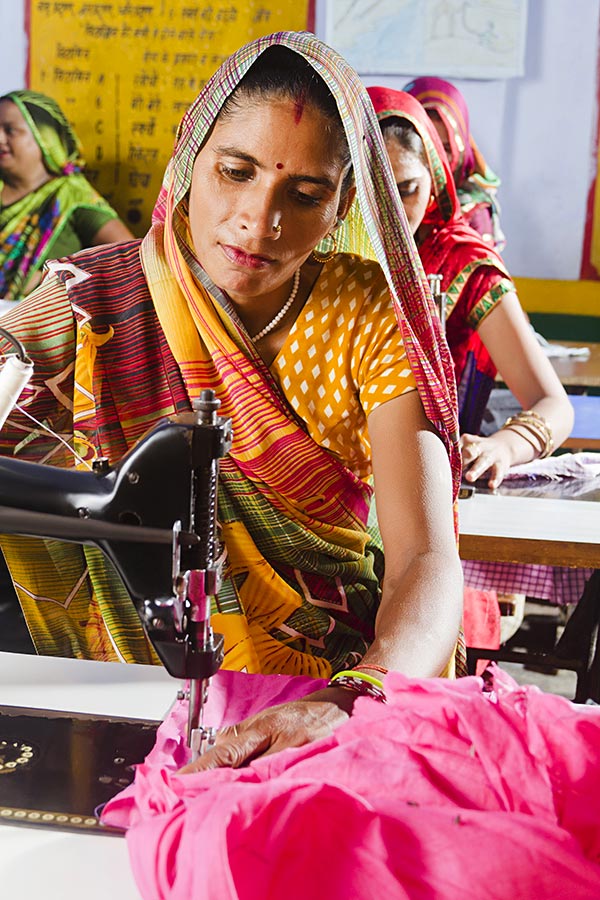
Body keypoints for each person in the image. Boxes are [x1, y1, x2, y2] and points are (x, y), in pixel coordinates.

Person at [0, 33, 464, 768]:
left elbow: (426, 560)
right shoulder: (92, 299)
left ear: (345, 203)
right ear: (191, 162)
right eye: (236, 171)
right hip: (129, 682)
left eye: (305, 194)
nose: (260, 219)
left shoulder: (367, 313)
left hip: (337, 679)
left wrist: (358, 696)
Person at [367, 86, 573, 490]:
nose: (390, 210)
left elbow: (555, 405)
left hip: (425, 482)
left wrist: (504, 447)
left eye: (406, 189)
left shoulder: (464, 264)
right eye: (374, 187)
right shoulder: (314, 251)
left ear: (437, 179)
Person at [0, 89, 133, 301]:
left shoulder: (73, 196)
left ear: (45, 138)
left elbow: (131, 261)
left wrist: (61, 277)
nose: (0, 138)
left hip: (43, 328)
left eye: (10, 130)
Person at [403, 76, 505, 250]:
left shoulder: (473, 216)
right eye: (426, 147)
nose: (435, 160)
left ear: (461, 148)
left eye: (446, 148)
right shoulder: (378, 202)